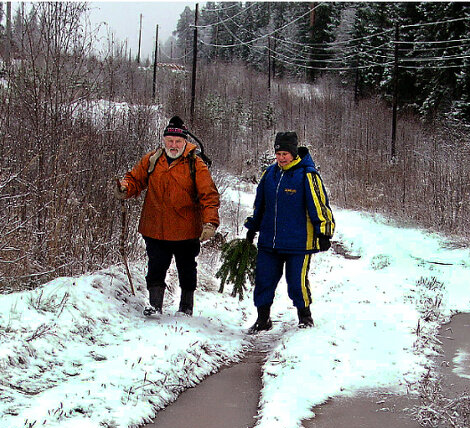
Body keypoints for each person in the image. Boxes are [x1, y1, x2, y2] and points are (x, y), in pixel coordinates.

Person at [117, 116, 220, 316]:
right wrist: (125, 188)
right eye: (170, 141)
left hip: (186, 229)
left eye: (178, 141)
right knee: (155, 266)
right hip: (155, 227)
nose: (173, 145)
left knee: (187, 268)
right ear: (164, 140)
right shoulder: (152, 159)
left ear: (185, 142)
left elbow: (209, 195)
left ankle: (186, 307)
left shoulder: (196, 164)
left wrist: (210, 223)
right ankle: (155, 306)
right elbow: (135, 179)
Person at [243, 131, 335, 331]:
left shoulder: (307, 175)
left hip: (299, 243)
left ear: (294, 153)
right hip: (270, 242)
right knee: (264, 280)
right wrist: (253, 227)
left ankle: (305, 317)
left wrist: (324, 232)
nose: (281, 157)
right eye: (278, 153)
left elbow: (319, 205)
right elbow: (260, 204)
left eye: (285, 153)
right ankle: (263, 319)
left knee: (296, 282)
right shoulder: (270, 174)